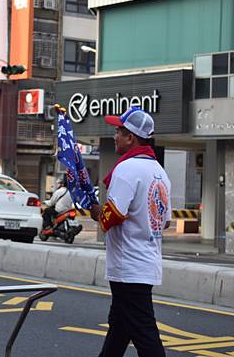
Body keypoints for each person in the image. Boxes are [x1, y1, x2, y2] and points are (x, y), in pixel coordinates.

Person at [90, 106, 171, 357]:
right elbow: (165, 221)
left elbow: (112, 215)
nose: (114, 135)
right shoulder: (160, 172)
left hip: (129, 267)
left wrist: (95, 211)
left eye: (119, 131)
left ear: (131, 137)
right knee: (119, 329)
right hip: (145, 262)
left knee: (146, 337)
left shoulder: (127, 169)